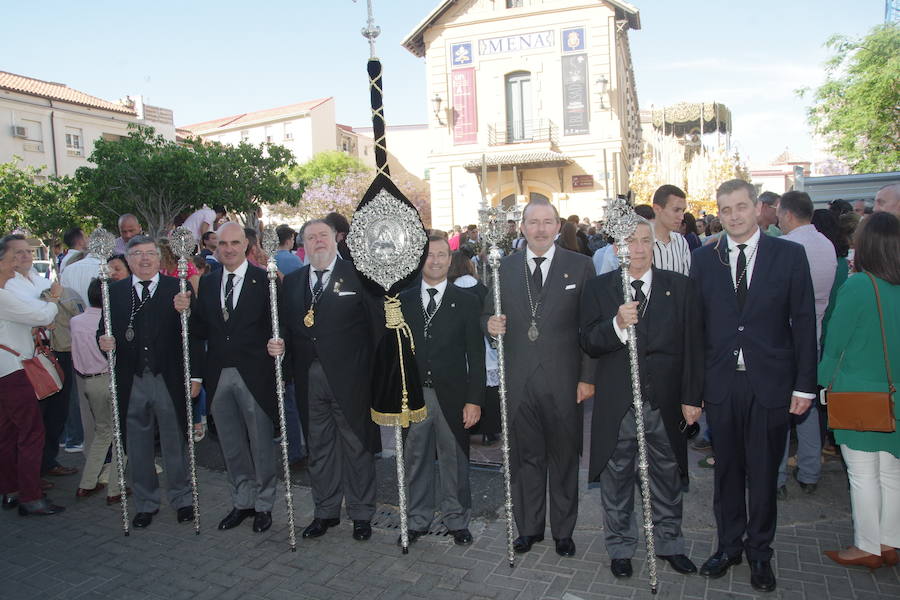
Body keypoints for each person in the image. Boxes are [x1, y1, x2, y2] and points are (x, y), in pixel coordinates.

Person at [690, 179, 817, 592]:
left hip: (771, 386)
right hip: (722, 387)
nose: (733, 216)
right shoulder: (704, 260)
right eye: (725, 210)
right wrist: (694, 392)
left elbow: (803, 324)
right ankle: (729, 547)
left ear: (759, 208)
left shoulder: (789, 255)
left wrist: (804, 386)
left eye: (741, 206)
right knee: (727, 473)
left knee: (763, 475)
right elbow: (697, 330)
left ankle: (760, 553)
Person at [580, 218, 703, 579]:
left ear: (655, 245)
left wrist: (692, 397)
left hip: (664, 402)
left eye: (645, 241)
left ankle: (670, 543)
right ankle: (620, 547)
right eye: (630, 241)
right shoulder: (600, 290)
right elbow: (588, 341)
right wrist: (617, 324)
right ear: (617, 247)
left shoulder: (679, 287)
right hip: (618, 404)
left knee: (667, 476)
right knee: (616, 478)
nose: (638, 248)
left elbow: (694, 346)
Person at [484, 197, 596, 558]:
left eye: (548, 222)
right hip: (519, 382)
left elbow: (589, 327)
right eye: (533, 222)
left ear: (559, 225)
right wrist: (489, 326)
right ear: (522, 227)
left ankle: (563, 531)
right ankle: (529, 528)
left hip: (565, 382)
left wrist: (587, 377)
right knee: (525, 460)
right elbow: (487, 315)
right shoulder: (504, 267)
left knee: (564, 459)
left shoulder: (580, 266)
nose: (541, 229)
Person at [268, 219, 383, 542]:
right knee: (318, 448)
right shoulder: (291, 282)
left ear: (336, 239)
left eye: (323, 235)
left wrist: (377, 378)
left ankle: (361, 514)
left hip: (352, 379)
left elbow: (376, 331)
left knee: (357, 447)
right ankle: (325, 511)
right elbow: (286, 329)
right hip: (308, 379)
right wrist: (280, 350)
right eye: (311, 237)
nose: (318, 241)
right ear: (302, 244)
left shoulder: (359, 277)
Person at [179, 223, 278, 534]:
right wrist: (195, 375)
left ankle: (264, 504)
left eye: (235, 243)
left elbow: (280, 326)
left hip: (256, 375)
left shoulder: (266, 281)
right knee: (231, 445)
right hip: (218, 375)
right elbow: (197, 333)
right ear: (215, 246)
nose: (229, 249)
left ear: (247, 244)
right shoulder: (207, 284)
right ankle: (242, 501)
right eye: (223, 243)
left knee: (261, 444)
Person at [820, 212, 900, 569]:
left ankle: (867, 545)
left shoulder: (858, 286)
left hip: (859, 396)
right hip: (895, 395)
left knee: (863, 475)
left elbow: (835, 344)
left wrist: (822, 383)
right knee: (891, 473)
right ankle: (889, 541)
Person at [97, 236, 194, 529]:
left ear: (159, 257)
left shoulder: (178, 288)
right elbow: (104, 329)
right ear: (128, 259)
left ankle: (183, 500)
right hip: (132, 378)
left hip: (168, 378)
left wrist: (186, 312)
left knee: (174, 441)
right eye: (137, 254)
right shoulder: (113, 292)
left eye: (150, 253)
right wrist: (103, 340)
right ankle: (146, 502)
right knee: (137, 445)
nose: (144, 259)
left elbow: (196, 332)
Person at [399, 235, 485, 545]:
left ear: (450, 261)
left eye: (441, 255)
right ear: (420, 260)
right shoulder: (402, 301)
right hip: (414, 398)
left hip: (453, 396)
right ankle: (417, 519)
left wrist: (474, 400)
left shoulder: (466, 302)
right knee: (415, 458)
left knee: (455, 460)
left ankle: (456, 519)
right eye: (429, 255)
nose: (435, 261)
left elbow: (476, 356)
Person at [775, 191, 837, 498]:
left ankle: (776, 478)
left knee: (778, 408)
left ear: (787, 215)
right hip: (812, 336)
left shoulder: (787, 247)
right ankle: (811, 471)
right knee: (806, 406)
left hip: (784, 337)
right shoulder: (826, 244)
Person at [0, 236, 65, 516]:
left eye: (25, 253)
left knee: (8, 431)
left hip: (11, 365)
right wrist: (53, 300)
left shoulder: (9, 290)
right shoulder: (3, 294)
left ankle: (12, 489)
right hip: (12, 367)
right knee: (31, 431)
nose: (21, 260)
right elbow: (40, 315)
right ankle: (30, 496)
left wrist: (44, 310)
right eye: (15, 255)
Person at [71, 278, 125, 505]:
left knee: (103, 432)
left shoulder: (76, 321)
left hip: (89, 382)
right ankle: (115, 487)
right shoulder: (110, 321)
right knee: (122, 435)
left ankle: (87, 483)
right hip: (110, 379)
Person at [651, 186, 691, 275]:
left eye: (683, 211)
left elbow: (686, 281)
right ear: (657, 209)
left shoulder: (681, 242)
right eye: (676, 210)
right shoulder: (640, 243)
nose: (681, 217)